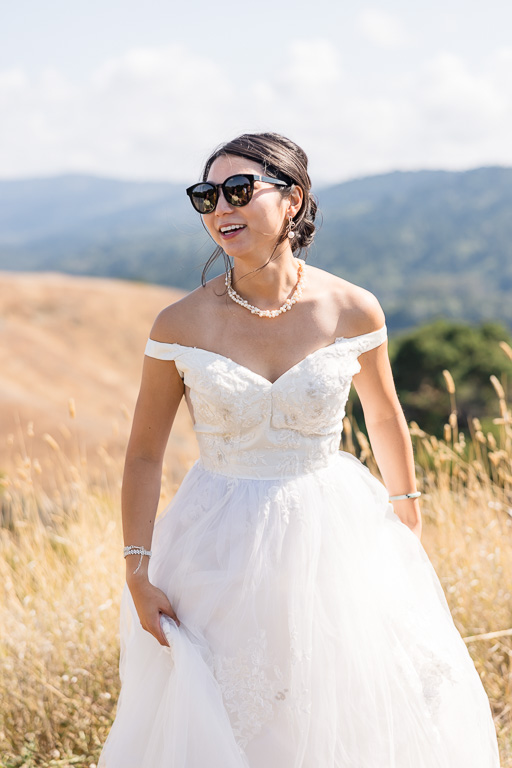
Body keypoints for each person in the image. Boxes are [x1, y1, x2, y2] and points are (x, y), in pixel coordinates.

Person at [98, 132, 501, 767]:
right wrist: (135, 569)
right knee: (234, 713)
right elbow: (144, 454)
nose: (220, 207)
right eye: (206, 195)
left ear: (293, 199)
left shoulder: (352, 307)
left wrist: (407, 519)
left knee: (344, 703)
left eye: (239, 190)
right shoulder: (178, 324)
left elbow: (386, 416)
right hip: (216, 539)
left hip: (335, 527)